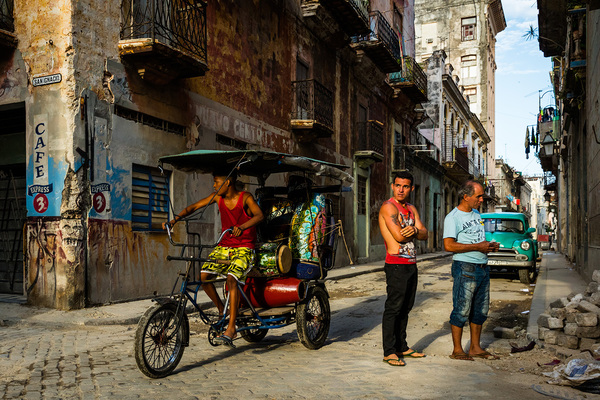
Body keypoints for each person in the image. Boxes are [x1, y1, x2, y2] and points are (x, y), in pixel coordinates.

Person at [163, 170, 264, 347]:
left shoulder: (245, 198)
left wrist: (242, 226)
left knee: (232, 279)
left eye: (217, 182)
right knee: (203, 277)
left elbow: (259, 215)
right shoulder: (218, 198)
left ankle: (231, 328)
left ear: (228, 183)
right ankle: (220, 310)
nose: (214, 186)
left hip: (244, 248)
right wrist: (175, 220)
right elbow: (194, 207)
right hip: (224, 247)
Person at [443, 180, 500, 361]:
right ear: (466, 196)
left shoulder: (476, 214)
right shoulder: (453, 217)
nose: (481, 200)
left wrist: (488, 247)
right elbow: (448, 245)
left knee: (480, 310)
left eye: (482, 196)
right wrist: (477, 246)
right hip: (465, 267)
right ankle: (457, 350)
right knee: (462, 309)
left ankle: (475, 347)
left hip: (482, 267)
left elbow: (476, 240)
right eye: (478, 196)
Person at [378, 171, 428, 366]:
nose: (401, 189)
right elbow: (398, 236)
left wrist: (415, 231)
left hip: (410, 264)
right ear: (392, 186)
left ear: (411, 188)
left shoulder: (411, 209)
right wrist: (416, 232)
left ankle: (401, 346)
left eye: (405, 186)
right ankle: (389, 351)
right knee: (394, 308)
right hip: (396, 264)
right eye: (398, 185)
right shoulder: (388, 207)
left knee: (406, 307)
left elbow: (425, 234)